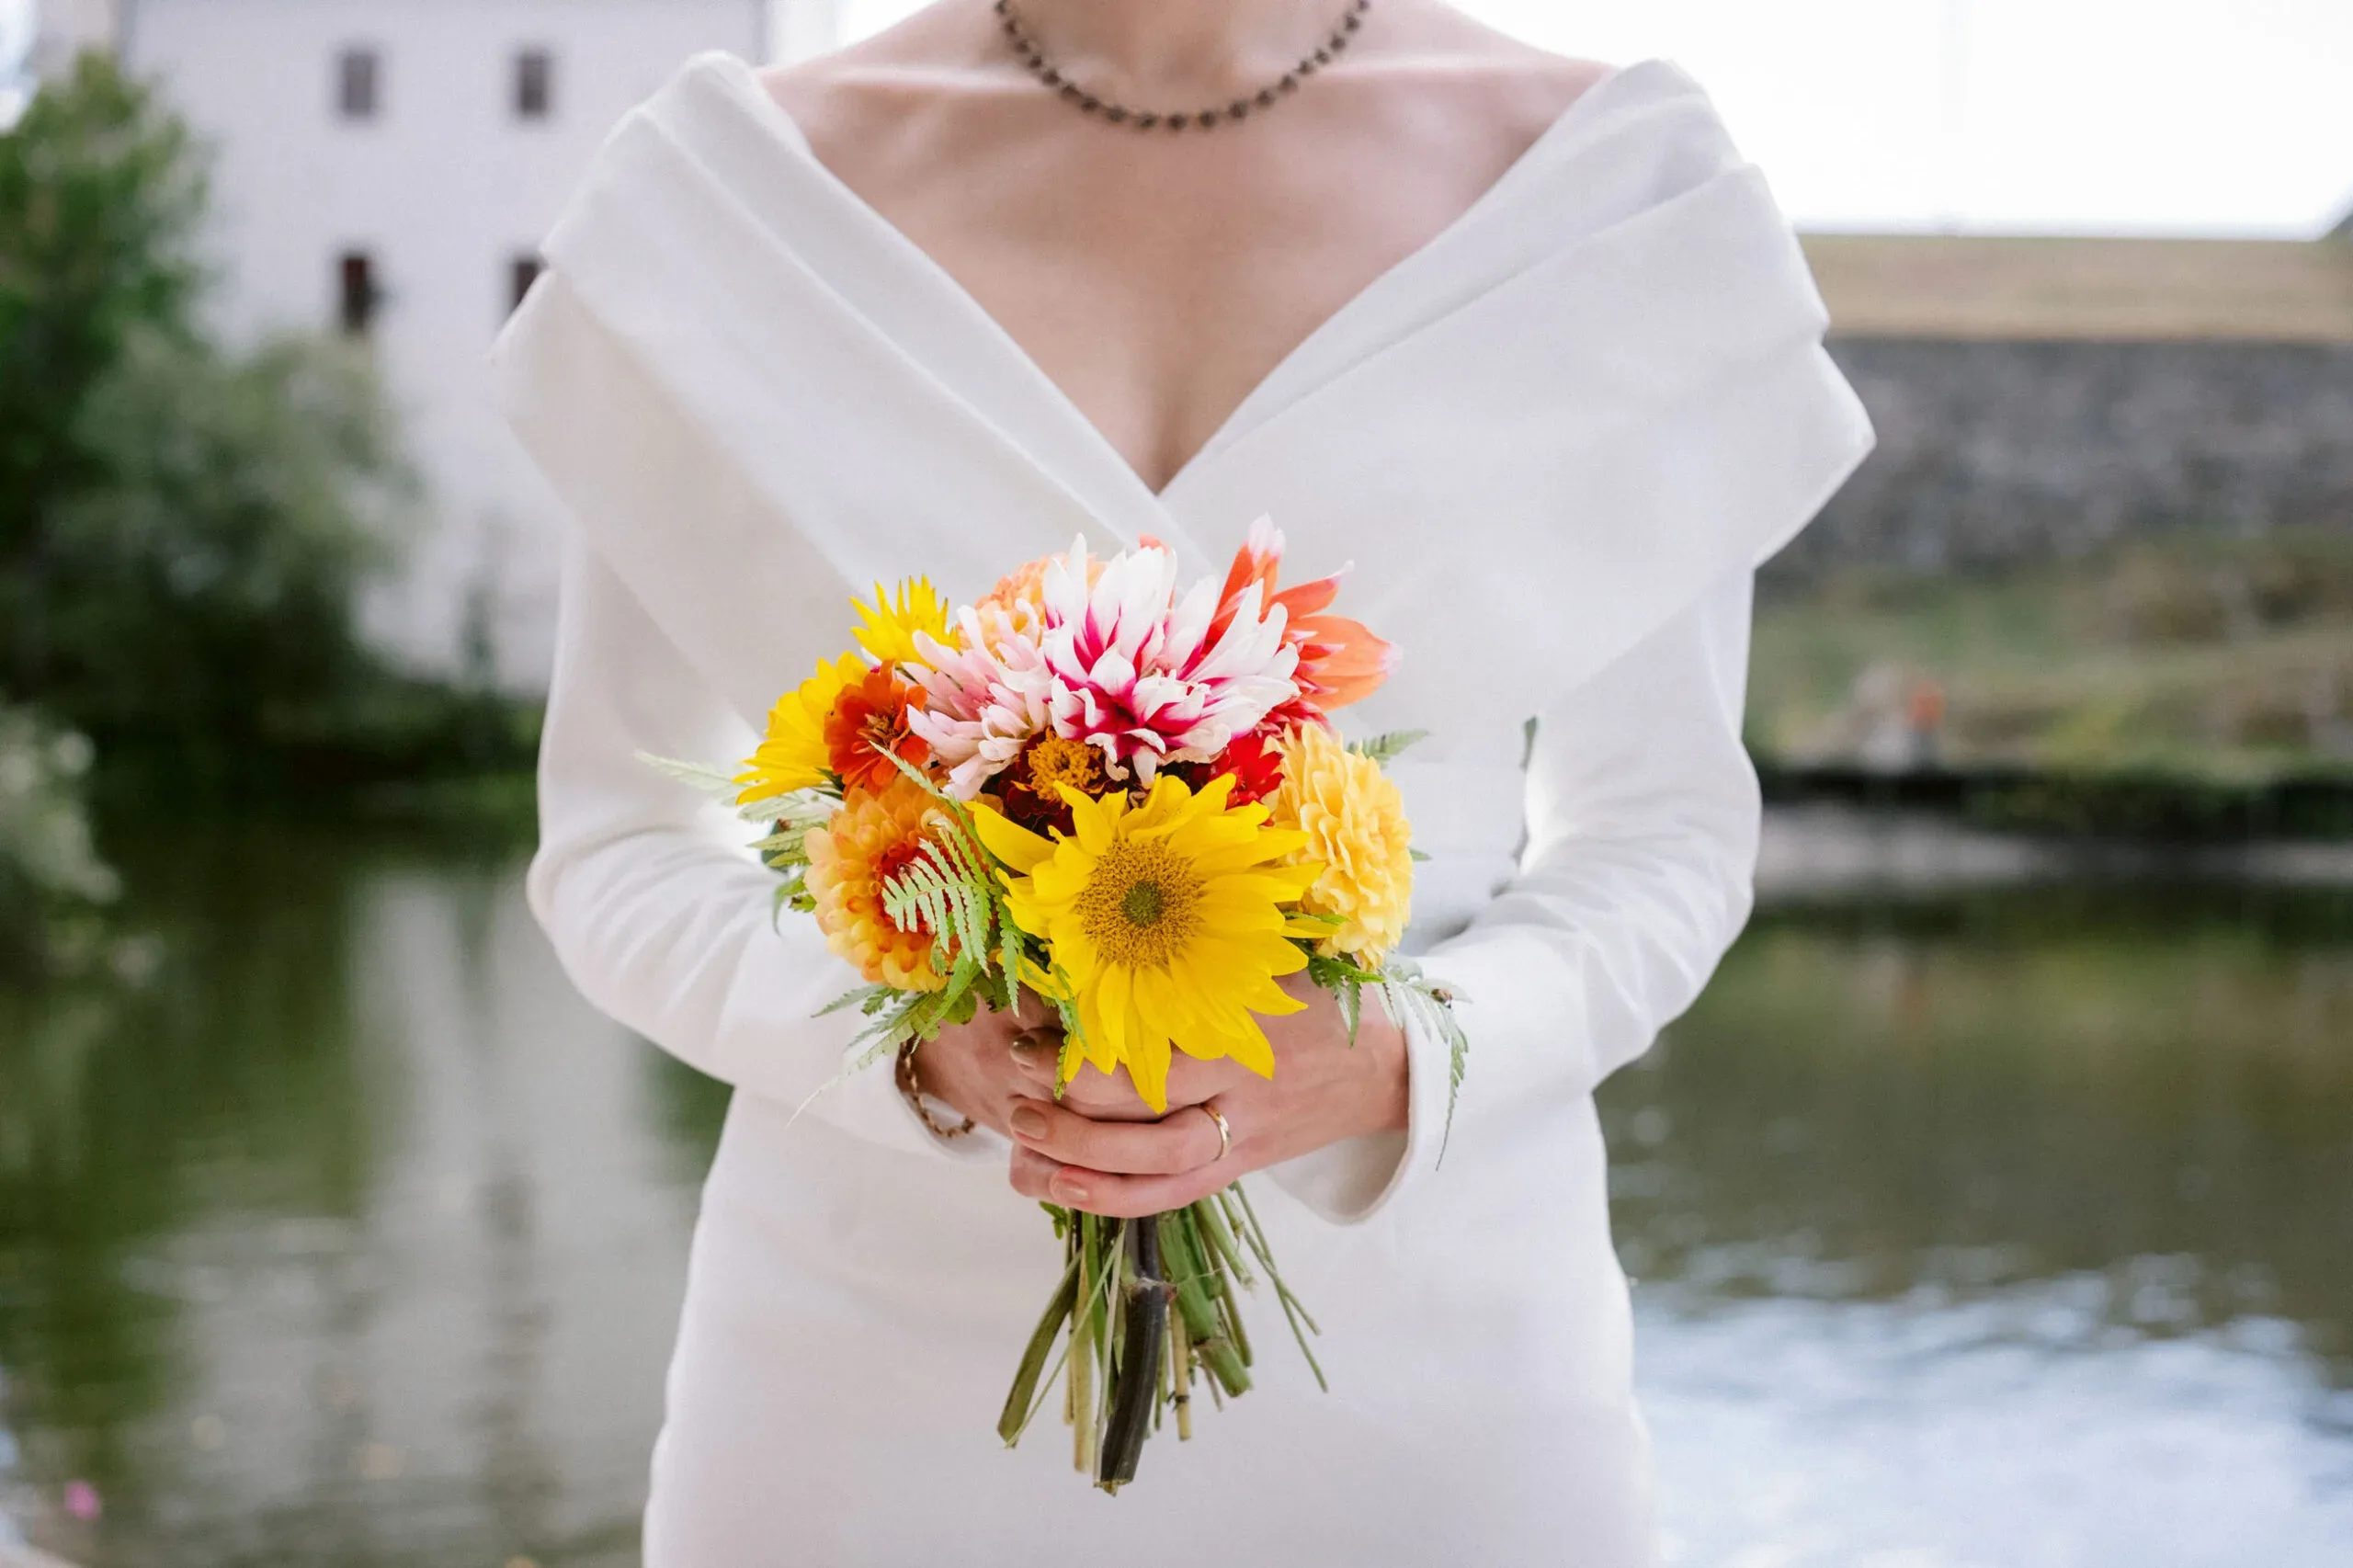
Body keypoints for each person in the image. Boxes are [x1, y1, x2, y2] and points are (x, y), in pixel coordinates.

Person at [491, 2, 1873, 1562]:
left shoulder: (1608, 190)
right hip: (850, 1395)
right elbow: (613, 843)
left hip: (1442, 1397)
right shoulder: (729, 199)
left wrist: (1396, 1056)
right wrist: (912, 1052)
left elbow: (1666, 839)